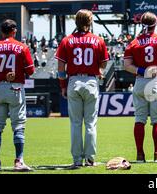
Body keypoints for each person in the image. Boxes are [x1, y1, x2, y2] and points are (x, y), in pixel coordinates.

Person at [56, 9, 109, 167]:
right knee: (91, 123)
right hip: (91, 81)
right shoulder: (98, 40)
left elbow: (60, 68)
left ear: (76, 21)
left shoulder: (67, 40)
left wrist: (63, 86)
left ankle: (77, 160)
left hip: (74, 81)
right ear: (90, 22)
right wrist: (99, 70)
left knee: (76, 123)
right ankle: (90, 159)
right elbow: (104, 62)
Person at [0, 19, 35, 171]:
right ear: (14, 31)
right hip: (15, 89)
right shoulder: (22, 47)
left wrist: (1, 76)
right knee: (18, 125)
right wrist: (14, 73)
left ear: (1, 31)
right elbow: (30, 71)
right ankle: (19, 161)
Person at [123, 12, 157, 163]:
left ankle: (140, 155)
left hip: (140, 81)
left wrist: (142, 71)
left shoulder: (134, 43)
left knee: (139, 119)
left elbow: (127, 65)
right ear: (156, 24)